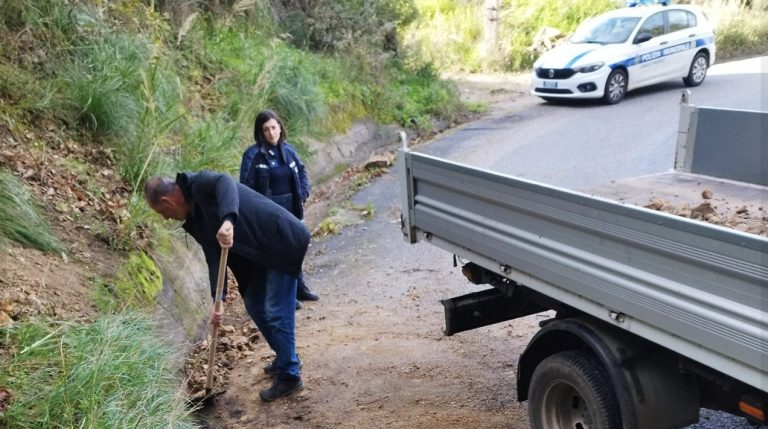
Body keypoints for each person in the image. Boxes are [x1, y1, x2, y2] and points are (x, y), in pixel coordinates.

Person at [144, 171, 309, 402]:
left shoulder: (200, 184)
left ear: (167, 201)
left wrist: (228, 221)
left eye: (162, 212)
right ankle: (286, 356)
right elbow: (213, 258)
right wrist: (217, 300)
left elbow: (225, 182)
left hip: (279, 241)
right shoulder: (195, 220)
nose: (166, 218)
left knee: (275, 310)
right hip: (259, 257)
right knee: (254, 305)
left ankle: (290, 375)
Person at [239, 109, 319, 307]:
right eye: (266, 129)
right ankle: (286, 296)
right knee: (278, 253)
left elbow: (301, 171)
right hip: (270, 211)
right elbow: (245, 187)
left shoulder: (288, 150)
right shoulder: (253, 155)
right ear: (260, 132)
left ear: (280, 128)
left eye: (274, 128)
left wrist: (303, 193)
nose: (271, 133)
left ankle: (300, 288)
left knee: (296, 246)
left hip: (292, 206)